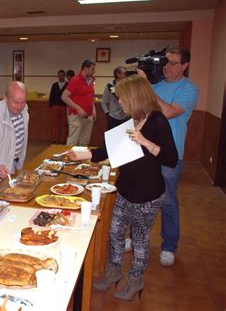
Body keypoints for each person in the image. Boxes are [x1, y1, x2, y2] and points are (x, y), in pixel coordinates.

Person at [68, 75, 178, 300]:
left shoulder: (157, 121)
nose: (120, 103)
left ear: (135, 98)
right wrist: (81, 155)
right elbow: (105, 151)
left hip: (148, 194)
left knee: (139, 239)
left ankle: (136, 280)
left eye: (123, 99)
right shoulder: (129, 122)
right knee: (115, 232)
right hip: (125, 189)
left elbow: (171, 159)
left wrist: (146, 142)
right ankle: (113, 272)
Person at [149, 47, 199, 267]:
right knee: (140, 198)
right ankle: (136, 236)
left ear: (185, 66)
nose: (166, 67)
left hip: (171, 154)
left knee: (167, 202)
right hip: (147, 151)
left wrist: (147, 90)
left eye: (173, 63)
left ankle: (169, 246)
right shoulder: (155, 85)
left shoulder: (189, 89)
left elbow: (169, 112)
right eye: (165, 63)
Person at [62, 60, 96, 146]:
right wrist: (78, 108)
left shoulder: (91, 80)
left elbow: (90, 97)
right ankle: (69, 159)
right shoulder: (75, 80)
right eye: (92, 69)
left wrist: (94, 109)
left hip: (89, 115)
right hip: (76, 115)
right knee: (73, 141)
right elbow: (64, 97)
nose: (93, 71)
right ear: (85, 68)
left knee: (84, 141)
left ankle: (81, 159)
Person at [48, 70, 68, 144]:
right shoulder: (55, 85)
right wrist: (51, 105)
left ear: (64, 76)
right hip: (55, 106)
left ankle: (63, 140)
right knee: (55, 124)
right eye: (59, 75)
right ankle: (54, 139)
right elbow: (51, 95)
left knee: (64, 125)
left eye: (62, 75)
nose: (60, 77)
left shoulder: (68, 84)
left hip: (64, 107)